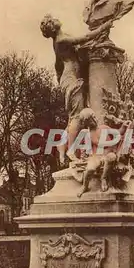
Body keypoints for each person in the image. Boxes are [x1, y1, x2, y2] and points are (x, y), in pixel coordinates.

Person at [40, 14, 113, 163]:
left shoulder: (59, 40)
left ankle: (62, 147)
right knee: (78, 117)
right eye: (52, 20)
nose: (56, 19)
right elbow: (85, 37)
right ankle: (70, 151)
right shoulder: (61, 40)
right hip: (71, 80)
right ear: (52, 27)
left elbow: (57, 64)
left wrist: (60, 78)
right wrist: (104, 26)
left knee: (75, 116)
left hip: (70, 78)